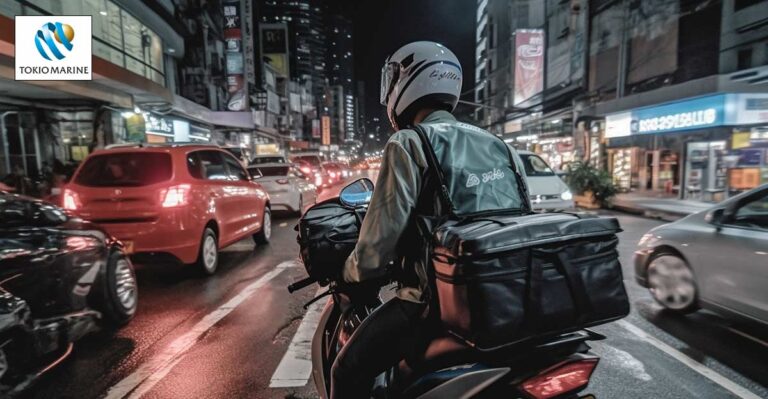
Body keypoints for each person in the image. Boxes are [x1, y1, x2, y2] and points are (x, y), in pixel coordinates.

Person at [331, 41, 526, 398]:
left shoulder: (409, 143)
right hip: (506, 296)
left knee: (346, 369)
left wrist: (350, 272)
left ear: (404, 83)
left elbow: (378, 240)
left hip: (433, 303)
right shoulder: (501, 146)